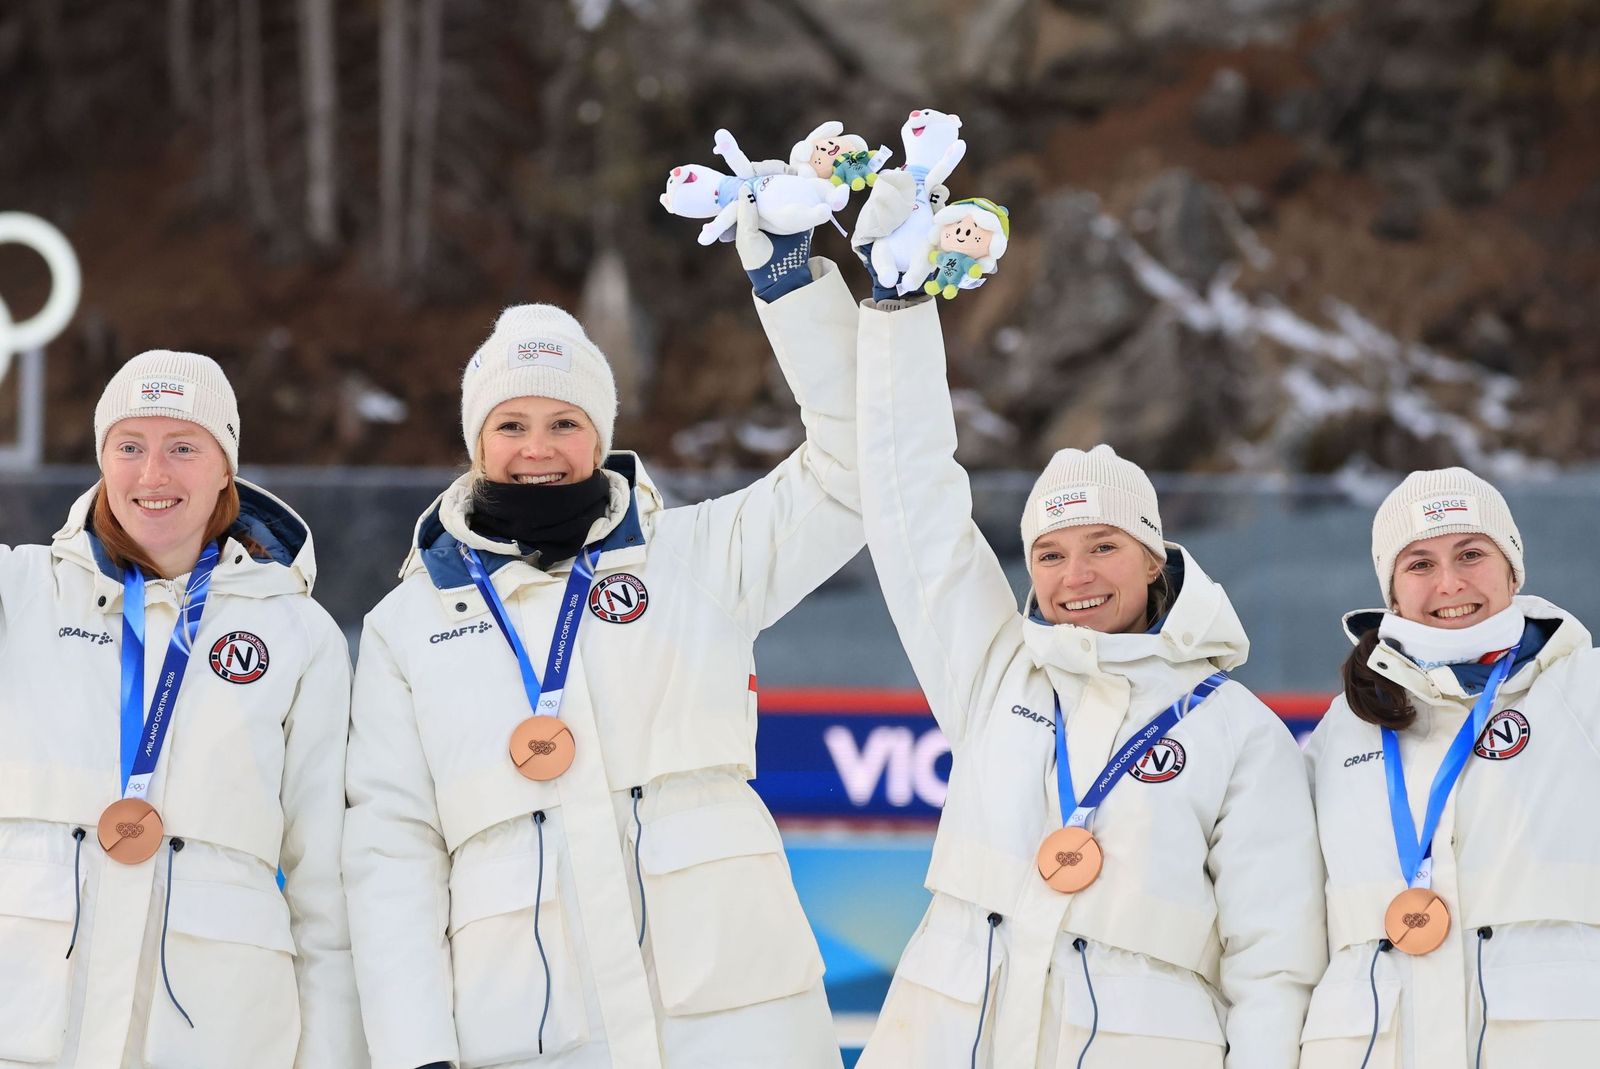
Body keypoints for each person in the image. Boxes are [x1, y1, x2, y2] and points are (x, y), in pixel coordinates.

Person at [342, 197, 865, 1069]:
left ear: (601, 435)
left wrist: (794, 292)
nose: (537, 447)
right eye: (511, 424)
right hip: (534, 1035)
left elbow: (854, 473)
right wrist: (416, 1053)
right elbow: (392, 852)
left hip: (738, 1022)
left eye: (564, 423)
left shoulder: (700, 555)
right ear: (477, 441)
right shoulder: (407, 624)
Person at [852, 298, 1326, 1067]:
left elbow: (1275, 963)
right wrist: (897, 311)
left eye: (1103, 545)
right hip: (948, 1035)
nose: (1075, 576)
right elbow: (912, 505)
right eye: (1050, 553)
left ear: (1152, 557)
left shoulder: (1239, 730)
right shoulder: (995, 666)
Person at [0, 350, 363, 1068]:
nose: (153, 474)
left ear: (226, 464)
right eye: (129, 446)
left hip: (217, 1038)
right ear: (102, 457)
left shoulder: (298, 634)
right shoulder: (19, 593)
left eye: (183, 448)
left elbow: (328, 891)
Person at [1300, 469, 1600, 1067]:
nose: (1450, 583)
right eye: (1419, 564)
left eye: (1471, 554)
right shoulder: (1340, 729)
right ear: (1391, 591)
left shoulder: (1585, 691)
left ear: (1514, 568)